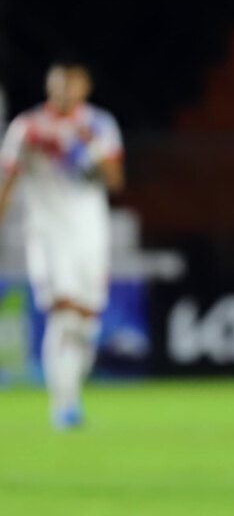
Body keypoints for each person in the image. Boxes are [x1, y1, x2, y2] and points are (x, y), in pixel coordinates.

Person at [0, 59, 124, 429]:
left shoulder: (100, 125)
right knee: (64, 309)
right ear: (48, 86)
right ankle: (63, 405)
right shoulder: (28, 128)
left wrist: (95, 149)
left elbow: (115, 181)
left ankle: (72, 396)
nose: (64, 92)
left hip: (90, 234)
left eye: (71, 86)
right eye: (58, 85)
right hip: (47, 234)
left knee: (86, 322)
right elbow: (8, 181)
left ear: (83, 88)